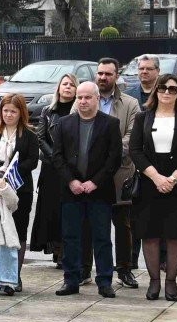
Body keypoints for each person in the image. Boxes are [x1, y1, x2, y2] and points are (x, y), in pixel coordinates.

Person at [48, 82, 122, 297]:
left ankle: (105, 281)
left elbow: (114, 158)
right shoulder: (64, 124)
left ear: (97, 98)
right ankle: (71, 280)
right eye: (80, 97)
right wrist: (71, 181)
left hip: (99, 191)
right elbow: (57, 157)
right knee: (71, 237)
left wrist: (95, 182)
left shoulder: (110, 124)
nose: (82, 101)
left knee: (101, 237)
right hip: (71, 191)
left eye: (87, 97)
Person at [130, 76, 177, 300]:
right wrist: (156, 177)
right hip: (150, 182)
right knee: (149, 234)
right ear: (156, 92)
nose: (167, 92)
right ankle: (154, 282)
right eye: (163, 88)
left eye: (172, 89)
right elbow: (135, 150)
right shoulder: (142, 117)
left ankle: (170, 282)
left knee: (175, 234)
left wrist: (173, 179)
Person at [94, 58, 141, 290]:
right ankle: (89, 270)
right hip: (91, 175)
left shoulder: (130, 104)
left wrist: (105, 154)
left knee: (123, 226)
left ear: (116, 76)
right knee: (93, 225)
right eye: (100, 73)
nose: (103, 77)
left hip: (120, 174)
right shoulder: (84, 100)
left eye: (108, 74)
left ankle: (125, 269)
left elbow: (132, 137)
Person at [0, 93, 39, 263]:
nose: (8, 115)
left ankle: (15, 274)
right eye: (5, 110)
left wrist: (12, 172)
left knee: (19, 229)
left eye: (13, 111)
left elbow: (32, 161)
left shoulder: (30, 134)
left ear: (21, 113)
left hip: (20, 186)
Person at [29, 74, 79, 271]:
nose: (67, 87)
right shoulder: (48, 111)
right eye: (64, 84)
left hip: (73, 168)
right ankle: (57, 252)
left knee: (69, 211)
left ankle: (68, 251)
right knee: (52, 211)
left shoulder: (79, 111)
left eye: (71, 85)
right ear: (58, 88)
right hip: (51, 168)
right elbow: (40, 138)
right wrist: (56, 158)